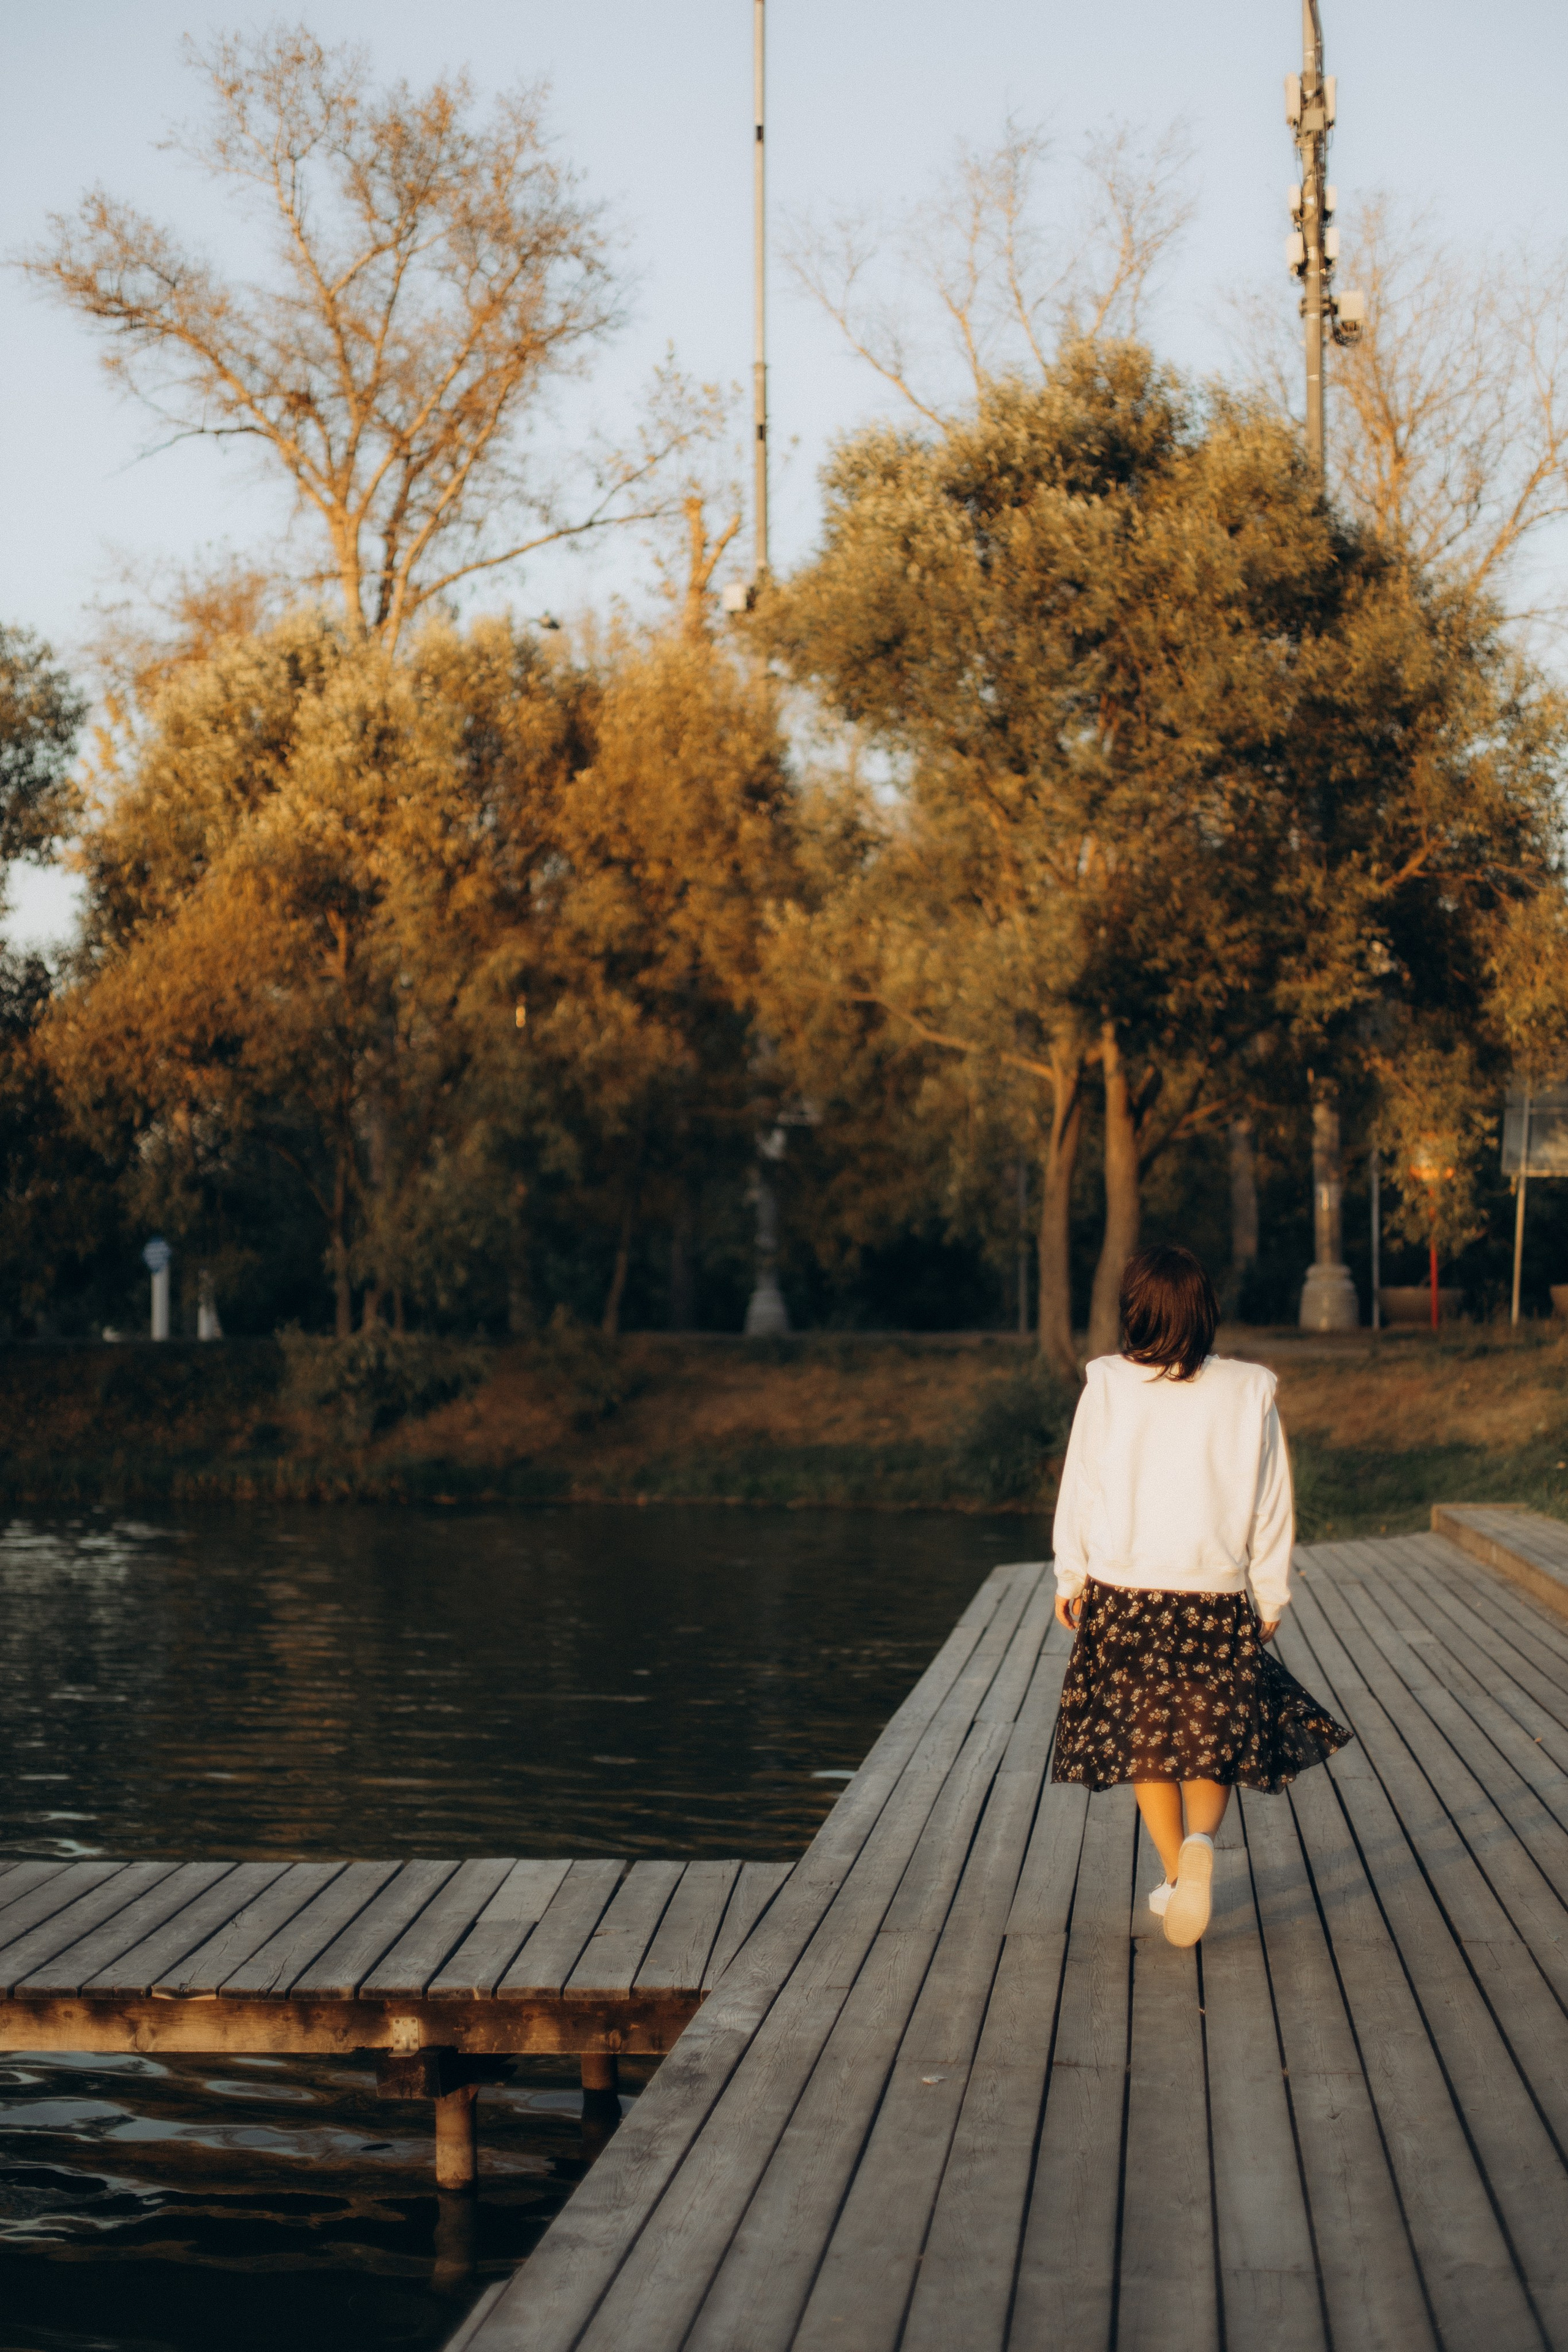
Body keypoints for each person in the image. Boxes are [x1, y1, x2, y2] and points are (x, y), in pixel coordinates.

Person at [1050, 1242, 1351, 1948]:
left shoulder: (1107, 1385)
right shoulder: (1249, 1391)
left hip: (1124, 1590)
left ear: (1135, 1312)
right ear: (1203, 1313)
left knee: (1148, 1744)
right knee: (1206, 1737)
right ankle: (1202, 1848)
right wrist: (1269, 1593)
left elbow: (1081, 1488)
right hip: (1212, 1594)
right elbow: (1271, 1503)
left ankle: (1175, 1875)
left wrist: (1070, 1574)